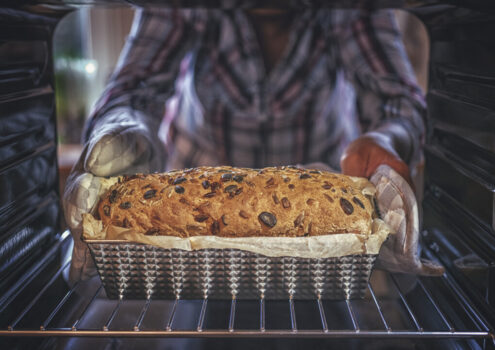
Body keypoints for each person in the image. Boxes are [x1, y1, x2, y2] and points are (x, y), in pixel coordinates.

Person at [64, 7, 426, 282]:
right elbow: (132, 90)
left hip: (327, 234)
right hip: (195, 234)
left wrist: (386, 138)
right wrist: (123, 132)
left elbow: (399, 101)